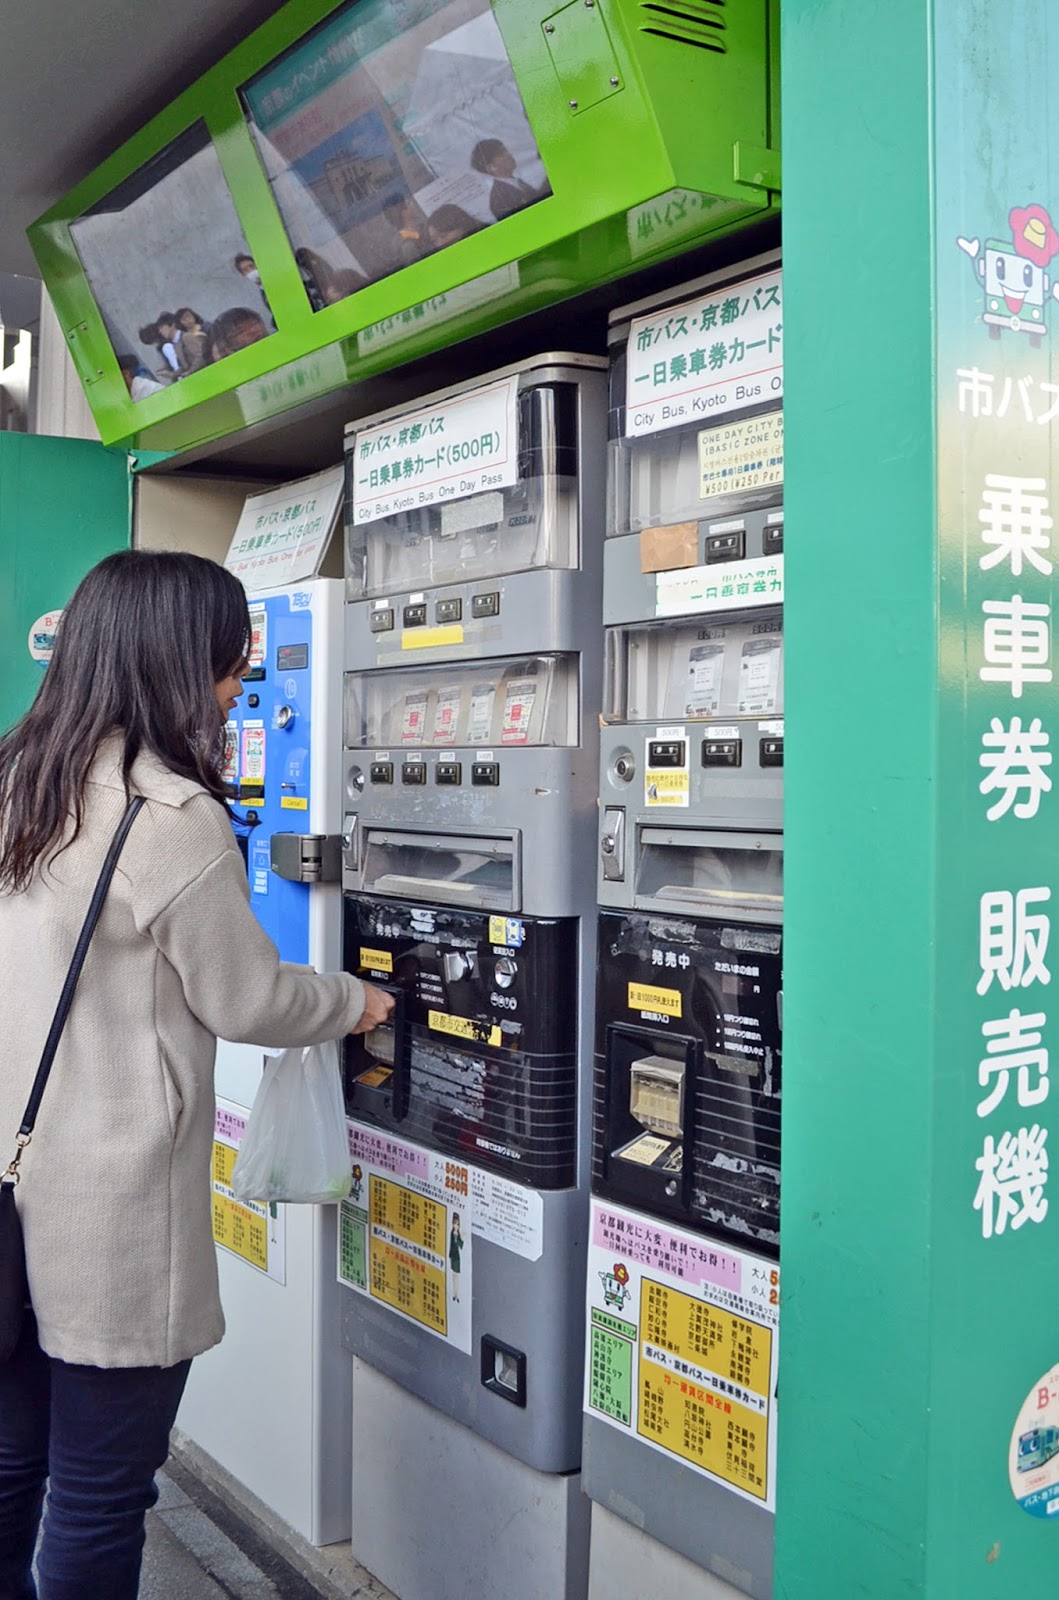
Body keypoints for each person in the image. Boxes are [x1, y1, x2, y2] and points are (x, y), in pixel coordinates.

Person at [0, 551, 394, 1600]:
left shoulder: (16, 781)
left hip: (6, 1189)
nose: (235, 686)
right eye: (230, 662)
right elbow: (247, 997)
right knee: (95, 1491)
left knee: (6, 1470)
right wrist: (352, 1001)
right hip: (107, 1212)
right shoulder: (168, 819)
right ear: (178, 662)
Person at [469, 138, 547, 221]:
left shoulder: (518, 182)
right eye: (502, 154)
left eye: (506, 151)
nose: (509, 154)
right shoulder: (498, 200)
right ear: (491, 167)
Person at [233, 254, 274, 328]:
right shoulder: (262, 292)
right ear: (243, 275)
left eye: (252, 266)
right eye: (245, 270)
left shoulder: (276, 282)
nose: (251, 271)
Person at [174, 307, 209, 374]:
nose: (187, 320)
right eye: (183, 319)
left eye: (188, 316)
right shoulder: (183, 339)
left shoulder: (206, 327)